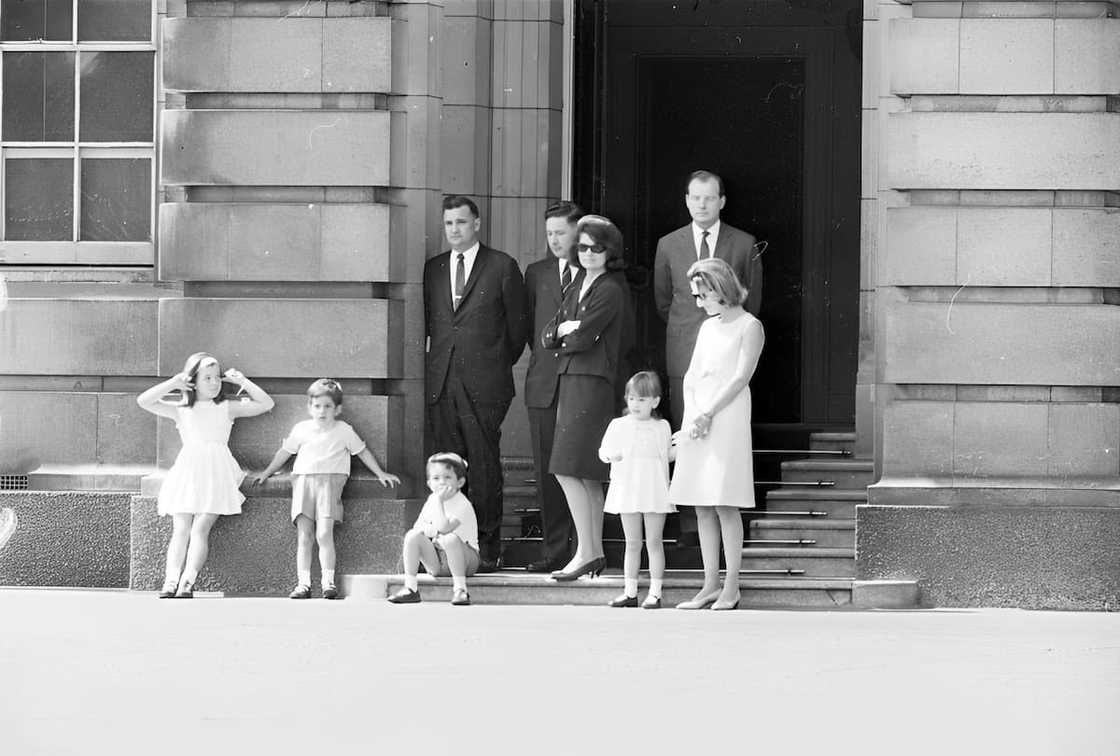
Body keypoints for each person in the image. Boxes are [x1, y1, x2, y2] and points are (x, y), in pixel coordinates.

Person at [423, 195, 529, 572]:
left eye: (462, 223)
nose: (455, 230)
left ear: (477, 224)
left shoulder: (501, 266)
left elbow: (518, 331)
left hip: (485, 385)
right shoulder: (433, 268)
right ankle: (449, 548)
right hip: (443, 382)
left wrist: (492, 365)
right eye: (449, 223)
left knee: (482, 468)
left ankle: (487, 549)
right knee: (446, 469)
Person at [668, 259, 764, 611]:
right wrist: (693, 413)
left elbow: (740, 377)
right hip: (699, 417)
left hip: (727, 416)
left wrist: (709, 412)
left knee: (725, 502)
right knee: (701, 503)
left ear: (719, 288)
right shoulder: (708, 328)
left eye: (702, 294)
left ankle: (732, 585)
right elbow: (691, 375)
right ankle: (709, 583)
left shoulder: (749, 326)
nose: (698, 302)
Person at [137, 352, 275, 598]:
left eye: (217, 377)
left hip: (217, 473)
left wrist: (242, 382)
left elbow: (266, 404)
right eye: (207, 378)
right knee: (181, 528)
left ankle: (188, 581)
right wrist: (174, 383)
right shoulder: (181, 409)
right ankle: (171, 580)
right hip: (189, 472)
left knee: (200, 528)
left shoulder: (226, 408)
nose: (214, 383)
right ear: (193, 381)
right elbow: (144, 401)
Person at [542, 214, 631, 581]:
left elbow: (583, 337)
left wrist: (569, 332)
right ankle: (590, 551)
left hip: (591, 382)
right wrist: (565, 330)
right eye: (583, 246)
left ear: (609, 251)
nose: (589, 253)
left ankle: (587, 551)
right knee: (581, 473)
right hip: (573, 378)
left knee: (570, 468)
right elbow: (551, 333)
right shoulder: (579, 280)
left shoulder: (610, 287)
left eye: (597, 247)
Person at [253, 379, 401, 599]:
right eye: (317, 406)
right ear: (309, 407)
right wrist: (266, 472)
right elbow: (285, 452)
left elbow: (362, 451)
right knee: (305, 535)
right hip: (304, 482)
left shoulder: (344, 430)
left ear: (337, 409)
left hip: (330, 485)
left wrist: (380, 473)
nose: (322, 411)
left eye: (327, 406)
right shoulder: (301, 429)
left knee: (324, 534)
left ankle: (327, 583)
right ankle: (303, 584)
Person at [653, 169, 763, 431]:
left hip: (729, 351)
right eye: (696, 197)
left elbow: (753, 300)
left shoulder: (744, 244)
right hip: (685, 349)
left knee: (724, 427)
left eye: (710, 198)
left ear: (722, 201)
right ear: (687, 200)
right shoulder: (667, 245)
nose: (702, 205)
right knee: (686, 425)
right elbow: (663, 301)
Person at [522, 200, 582, 572]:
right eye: (550, 234)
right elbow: (529, 327)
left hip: (580, 384)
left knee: (580, 468)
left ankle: (584, 548)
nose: (555, 240)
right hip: (543, 383)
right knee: (547, 470)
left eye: (561, 232)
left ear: (578, 231)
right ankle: (554, 550)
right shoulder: (537, 272)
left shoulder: (595, 270)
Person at [598, 371, 675, 608]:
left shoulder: (662, 426)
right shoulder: (618, 425)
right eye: (631, 399)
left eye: (642, 400)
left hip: (654, 488)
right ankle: (630, 592)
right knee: (632, 542)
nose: (635, 404)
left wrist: (686, 444)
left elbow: (667, 456)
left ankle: (655, 592)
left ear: (655, 401)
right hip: (628, 487)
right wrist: (612, 455)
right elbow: (603, 452)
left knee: (654, 541)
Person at [387, 452, 480, 606]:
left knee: (450, 538)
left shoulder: (462, 504)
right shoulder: (432, 500)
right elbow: (419, 527)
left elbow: (445, 528)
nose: (442, 482)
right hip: (439, 561)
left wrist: (437, 510)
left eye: (448, 477)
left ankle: (460, 589)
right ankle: (410, 588)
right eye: (436, 478)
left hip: (466, 560)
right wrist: (433, 526)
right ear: (429, 483)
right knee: (412, 536)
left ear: (460, 482)